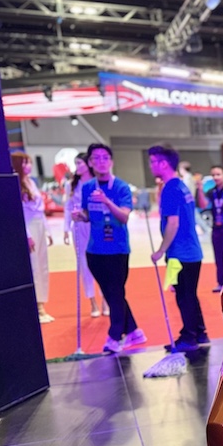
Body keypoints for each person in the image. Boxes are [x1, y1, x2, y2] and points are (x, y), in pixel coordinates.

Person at [80, 142, 145, 354]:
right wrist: (80, 215)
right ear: (90, 163)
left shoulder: (121, 188)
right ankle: (133, 330)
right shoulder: (87, 187)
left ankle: (115, 336)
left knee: (116, 292)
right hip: (94, 250)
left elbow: (124, 217)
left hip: (117, 249)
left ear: (111, 161)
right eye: (96, 158)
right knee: (110, 293)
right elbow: (87, 214)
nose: (101, 162)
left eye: (105, 157)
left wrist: (106, 201)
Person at [149, 143, 208, 352]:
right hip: (191, 252)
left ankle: (189, 337)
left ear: (163, 164)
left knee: (183, 296)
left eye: (153, 162)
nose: (150, 166)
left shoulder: (171, 189)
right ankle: (200, 332)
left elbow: (173, 223)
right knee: (189, 294)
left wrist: (160, 250)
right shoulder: (181, 186)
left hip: (179, 254)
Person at [11, 152, 53, 323]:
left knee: (43, 265)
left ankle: (42, 303)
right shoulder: (16, 183)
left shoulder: (31, 182)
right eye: (25, 163)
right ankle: (37, 306)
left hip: (40, 225)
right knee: (34, 265)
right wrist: (27, 235)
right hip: (28, 227)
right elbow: (19, 213)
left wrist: (48, 231)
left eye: (29, 162)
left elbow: (40, 211)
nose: (29, 166)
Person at [63, 153, 105, 317]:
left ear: (88, 164)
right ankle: (92, 301)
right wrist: (66, 228)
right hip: (79, 227)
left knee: (101, 262)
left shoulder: (97, 182)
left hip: (95, 225)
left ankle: (105, 300)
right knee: (83, 263)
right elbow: (68, 206)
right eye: (76, 163)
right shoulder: (71, 185)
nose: (77, 166)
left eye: (80, 163)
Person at [198, 165, 223, 292]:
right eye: (213, 175)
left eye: (218, 174)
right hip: (216, 229)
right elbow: (203, 204)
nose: (216, 177)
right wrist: (199, 189)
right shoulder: (212, 192)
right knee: (218, 258)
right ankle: (220, 283)